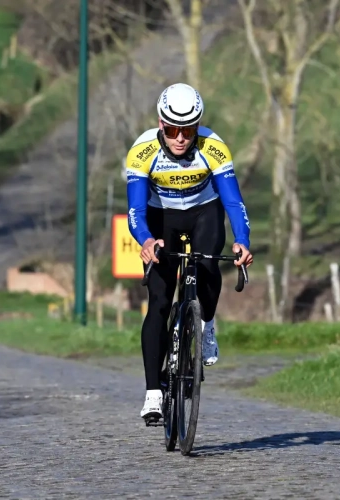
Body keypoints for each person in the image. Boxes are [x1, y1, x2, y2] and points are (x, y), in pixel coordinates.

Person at [124, 83, 253, 420]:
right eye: (171, 130)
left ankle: (207, 325)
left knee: (209, 264)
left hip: (203, 213)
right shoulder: (141, 152)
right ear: (160, 123)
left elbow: (233, 201)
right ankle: (154, 392)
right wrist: (147, 241)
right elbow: (135, 211)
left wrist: (242, 239)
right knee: (160, 301)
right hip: (160, 217)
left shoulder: (213, 147)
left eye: (189, 129)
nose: (180, 137)